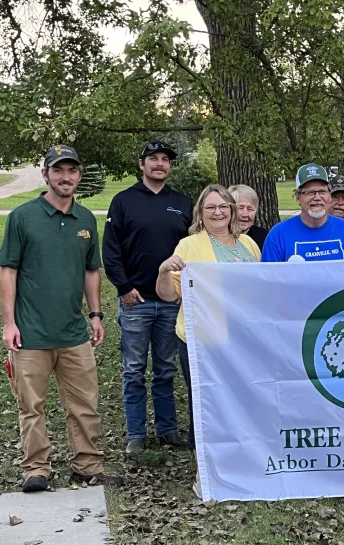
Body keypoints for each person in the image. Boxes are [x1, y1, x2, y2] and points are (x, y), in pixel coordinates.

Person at [0, 145, 124, 492]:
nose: (65, 177)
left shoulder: (85, 220)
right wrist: (9, 323)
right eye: (58, 170)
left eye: (72, 171)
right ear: (46, 175)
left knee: (85, 405)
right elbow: (8, 271)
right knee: (31, 406)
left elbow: (91, 270)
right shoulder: (22, 217)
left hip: (74, 333)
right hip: (30, 334)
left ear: (79, 176)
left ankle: (88, 466)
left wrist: (96, 314)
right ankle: (36, 468)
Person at [155, 184, 260, 498]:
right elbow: (169, 294)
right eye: (211, 207)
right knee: (208, 404)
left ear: (232, 210)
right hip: (202, 339)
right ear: (200, 212)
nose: (218, 212)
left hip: (243, 340)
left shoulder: (250, 245)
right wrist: (163, 271)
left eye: (224, 207)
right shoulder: (188, 246)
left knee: (241, 401)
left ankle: (242, 464)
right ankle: (207, 471)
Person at [102, 140, 192, 456]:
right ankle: (136, 434)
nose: (159, 163)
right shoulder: (124, 201)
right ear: (141, 165)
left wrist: (185, 291)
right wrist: (124, 288)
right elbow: (110, 251)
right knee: (134, 369)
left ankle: (167, 430)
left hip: (172, 301)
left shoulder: (182, 202)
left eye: (165, 159)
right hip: (136, 300)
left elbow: (192, 250)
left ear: (170, 166)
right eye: (152, 158)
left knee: (166, 368)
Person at [261, 163, 344, 262]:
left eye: (322, 192)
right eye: (310, 192)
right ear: (298, 198)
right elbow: (270, 278)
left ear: (329, 196)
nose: (317, 197)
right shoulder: (278, 235)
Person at [229, 184, 269, 250]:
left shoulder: (263, 237)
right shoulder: (219, 236)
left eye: (250, 209)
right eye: (240, 208)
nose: (245, 214)